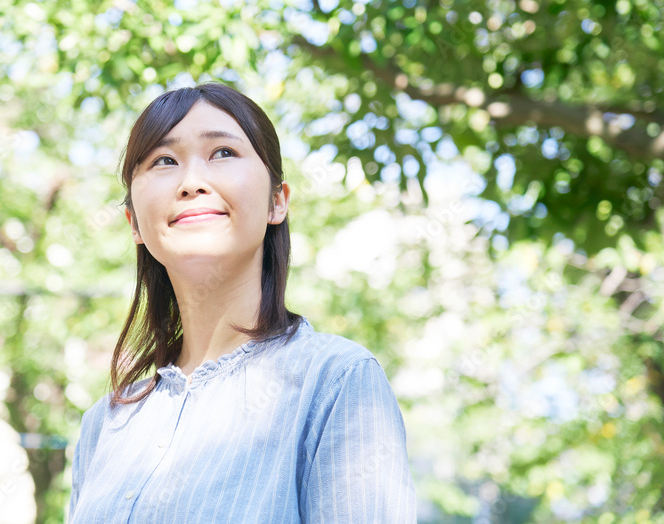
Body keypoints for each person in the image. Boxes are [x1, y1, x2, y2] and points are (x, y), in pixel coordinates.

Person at [69, 82, 417, 523]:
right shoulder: (103, 426)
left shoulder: (336, 381)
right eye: (164, 161)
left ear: (277, 201)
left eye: (223, 153)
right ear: (134, 221)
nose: (192, 182)